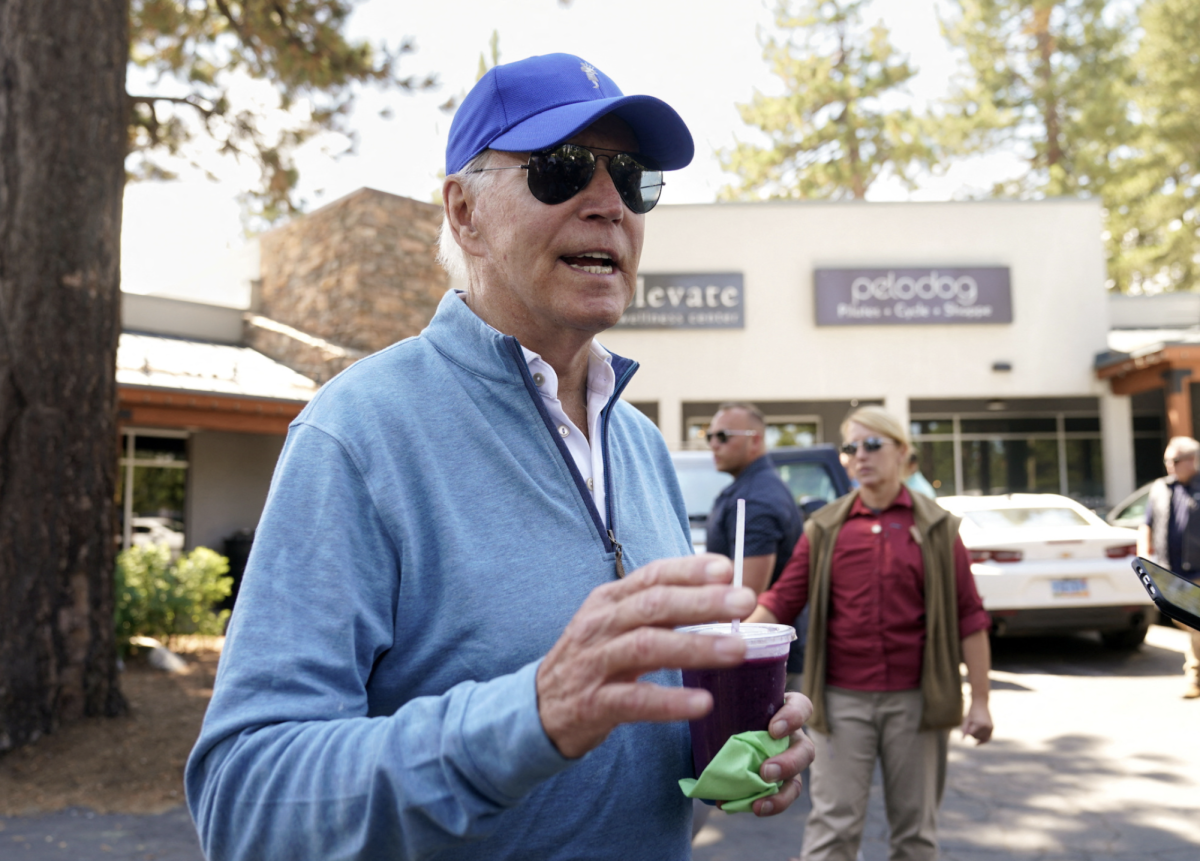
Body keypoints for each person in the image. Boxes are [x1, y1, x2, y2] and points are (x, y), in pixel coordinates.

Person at [185, 53, 815, 861]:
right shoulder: (357, 434)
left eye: (631, 176)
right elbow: (246, 801)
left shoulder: (641, 444)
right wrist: (532, 714)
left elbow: (628, 738)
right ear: (464, 211)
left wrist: (734, 746)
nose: (607, 203)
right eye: (559, 170)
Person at [747, 405, 994, 861]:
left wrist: (980, 701)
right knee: (833, 829)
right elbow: (782, 599)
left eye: (873, 444)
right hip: (840, 701)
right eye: (850, 447)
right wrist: (735, 643)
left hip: (917, 701)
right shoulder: (825, 527)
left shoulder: (937, 528)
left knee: (915, 835)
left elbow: (970, 616)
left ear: (902, 451)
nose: (860, 454)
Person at [705, 402, 803, 595]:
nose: (714, 444)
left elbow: (744, 600)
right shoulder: (753, 488)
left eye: (723, 436)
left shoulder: (755, 500)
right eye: (710, 437)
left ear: (755, 441)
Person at [1138, 436, 1200, 699]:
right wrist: (1143, 555)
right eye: (1166, 461)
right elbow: (1147, 523)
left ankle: (1195, 677)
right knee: (1186, 621)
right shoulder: (1160, 488)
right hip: (1169, 571)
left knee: (1196, 622)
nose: (1169, 466)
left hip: (1198, 571)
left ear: (1191, 460)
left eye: (1174, 460)